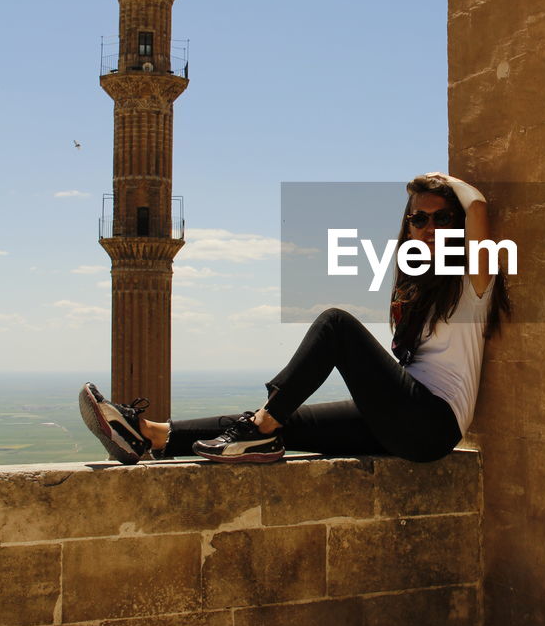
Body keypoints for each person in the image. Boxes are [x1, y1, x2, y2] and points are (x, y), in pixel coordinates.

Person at [79, 172, 509, 466]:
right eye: (419, 218)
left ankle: (260, 426)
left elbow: (479, 208)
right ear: (408, 225)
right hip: (404, 417)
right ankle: (151, 435)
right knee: (289, 420)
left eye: (441, 218)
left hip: (433, 422)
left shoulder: (473, 284)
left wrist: (444, 182)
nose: (428, 226)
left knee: (336, 324)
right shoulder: (415, 285)